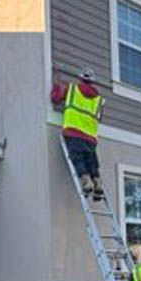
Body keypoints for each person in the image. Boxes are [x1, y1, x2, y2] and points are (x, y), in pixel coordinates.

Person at [50, 71, 104, 201]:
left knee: (77, 158)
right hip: (90, 136)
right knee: (91, 161)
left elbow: (55, 99)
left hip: (73, 130)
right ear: (92, 82)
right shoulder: (99, 99)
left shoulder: (72, 89)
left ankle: (86, 181)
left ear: (80, 79)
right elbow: (99, 117)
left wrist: (56, 85)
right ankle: (97, 183)